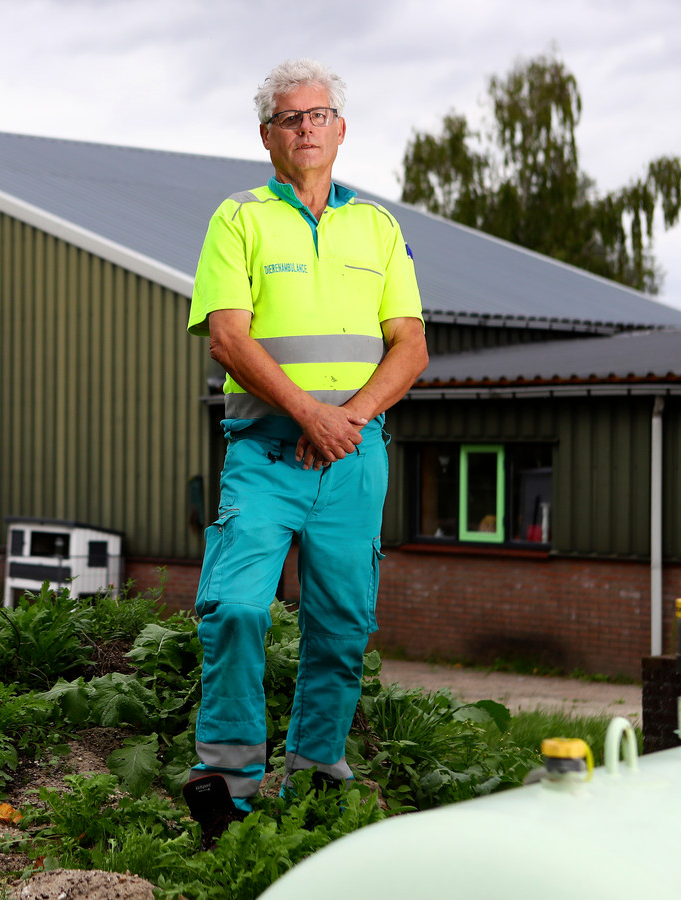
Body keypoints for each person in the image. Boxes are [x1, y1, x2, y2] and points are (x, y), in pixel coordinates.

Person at [182, 58, 428, 848]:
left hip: (353, 457)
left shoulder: (378, 227)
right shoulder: (239, 219)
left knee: (341, 622)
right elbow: (227, 337)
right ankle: (225, 779)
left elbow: (411, 347)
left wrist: (347, 419)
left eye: (320, 115)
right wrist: (306, 414)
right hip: (266, 451)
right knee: (237, 605)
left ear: (341, 129)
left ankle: (317, 769)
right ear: (268, 137)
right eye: (291, 118)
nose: (308, 128)